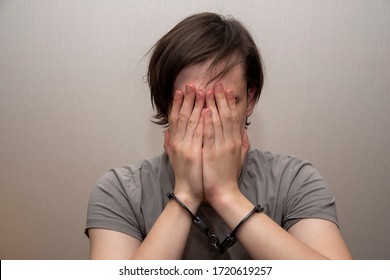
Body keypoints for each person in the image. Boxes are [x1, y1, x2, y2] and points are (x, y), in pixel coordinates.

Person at [85, 12, 352, 260]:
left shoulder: (294, 180)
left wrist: (225, 195)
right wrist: (186, 194)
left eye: (223, 102)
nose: (209, 119)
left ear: (249, 100)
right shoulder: (120, 191)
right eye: (191, 103)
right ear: (167, 105)